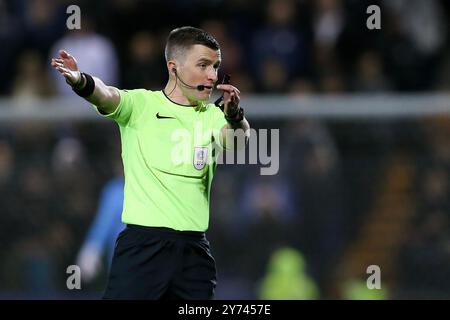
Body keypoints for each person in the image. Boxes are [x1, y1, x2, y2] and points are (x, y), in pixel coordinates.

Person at [51, 26, 250, 300]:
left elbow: (238, 142)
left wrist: (236, 116)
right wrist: (80, 81)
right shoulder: (141, 105)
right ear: (174, 67)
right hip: (142, 249)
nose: (212, 75)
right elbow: (106, 94)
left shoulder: (215, 117)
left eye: (216, 66)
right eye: (203, 65)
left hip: (193, 254)